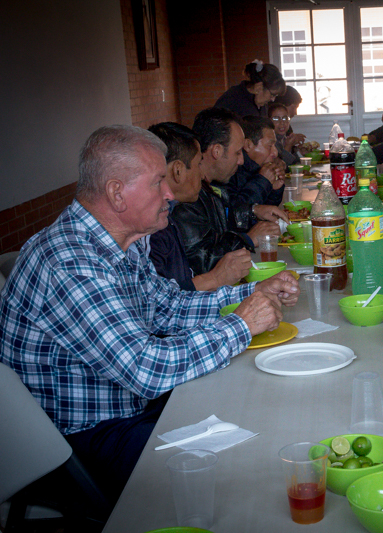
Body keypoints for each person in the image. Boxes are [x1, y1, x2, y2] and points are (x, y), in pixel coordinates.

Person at [0, 125, 299, 503]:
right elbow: (147, 370)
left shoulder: (124, 241)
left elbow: (166, 307)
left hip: (129, 408)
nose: (170, 193)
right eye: (158, 182)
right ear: (116, 193)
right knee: (239, 470)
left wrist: (250, 293)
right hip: (78, 442)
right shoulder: (69, 263)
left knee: (250, 403)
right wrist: (241, 324)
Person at [173, 108, 279, 275]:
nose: (242, 160)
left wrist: (252, 211)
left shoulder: (214, 185)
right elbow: (202, 262)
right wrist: (248, 239)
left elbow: (222, 219)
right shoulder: (186, 196)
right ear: (216, 151)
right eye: (237, 153)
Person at [146, 122, 251, 290]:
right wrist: (216, 278)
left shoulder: (168, 214)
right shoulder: (151, 229)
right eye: (198, 165)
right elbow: (161, 303)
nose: (202, 175)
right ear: (178, 171)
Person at [214, 60, 285, 118]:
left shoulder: (262, 103)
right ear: (259, 87)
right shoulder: (232, 99)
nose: (273, 100)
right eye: (272, 95)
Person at [268, 102, 302, 166]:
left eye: (285, 118)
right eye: (276, 119)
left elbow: (296, 163)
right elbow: (282, 167)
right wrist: (288, 146)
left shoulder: (285, 138)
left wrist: (298, 150)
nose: (282, 123)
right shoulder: (270, 142)